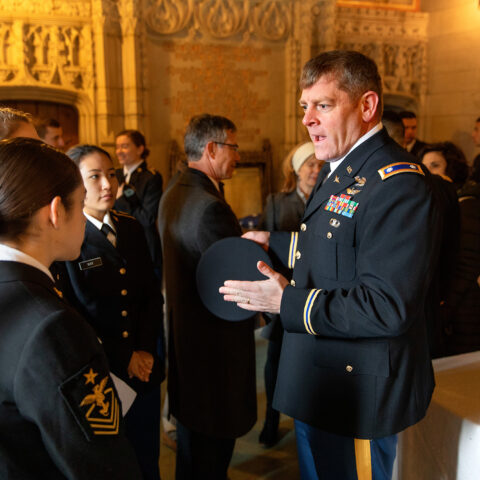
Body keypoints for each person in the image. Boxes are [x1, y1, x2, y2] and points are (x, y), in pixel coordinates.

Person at [220, 50, 441, 480]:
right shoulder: (342, 165)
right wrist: (277, 242)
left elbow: (386, 305)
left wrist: (287, 302)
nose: (307, 120)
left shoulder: (398, 183)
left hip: (357, 396)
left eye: (323, 105)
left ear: (367, 105)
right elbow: (337, 242)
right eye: (305, 107)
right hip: (322, 382)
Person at [0, 137, 142, 478]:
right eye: (79, 205)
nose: (83, 215)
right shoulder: (51, 326)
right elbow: (104, 464)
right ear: (55, 212)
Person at [55, 144, 164, 480]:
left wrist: (144, 349)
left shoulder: (130, 227)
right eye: (95, 176)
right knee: (116, 462)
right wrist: (124, 356)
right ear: (75, 185)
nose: (107, 184)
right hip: (104, 371)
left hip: (143, 368)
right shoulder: (68, 238)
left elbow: (149, 294)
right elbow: (74, 312)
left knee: (148, 455)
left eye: (111, 174)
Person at [158, 114, 256, 480]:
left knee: (194, 458)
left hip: (188, 351)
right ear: (212, 148)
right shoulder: (210, 206)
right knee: (209, 462)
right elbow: (238, 284)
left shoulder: (176, 191)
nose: (239, 156)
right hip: (215, 360)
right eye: (234, 147)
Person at [258, 141, 322, 447]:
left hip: (315, 296)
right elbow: (263, 252)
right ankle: (271, 420)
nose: (315, 170)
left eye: (319, 164)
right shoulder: (275, 202)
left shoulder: (330, 199)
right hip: (281, 296)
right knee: (275, 363)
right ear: (296, 169)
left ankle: (305, 425)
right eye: (309, 164)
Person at [114, 130, 163, 278]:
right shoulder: (114, 175)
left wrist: (120, 200)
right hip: (119, 246)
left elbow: (147, 218)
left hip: (144, 247)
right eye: (117, 147)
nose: (119, 151)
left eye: (125, 146)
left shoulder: (150, 177)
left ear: (140, 149)